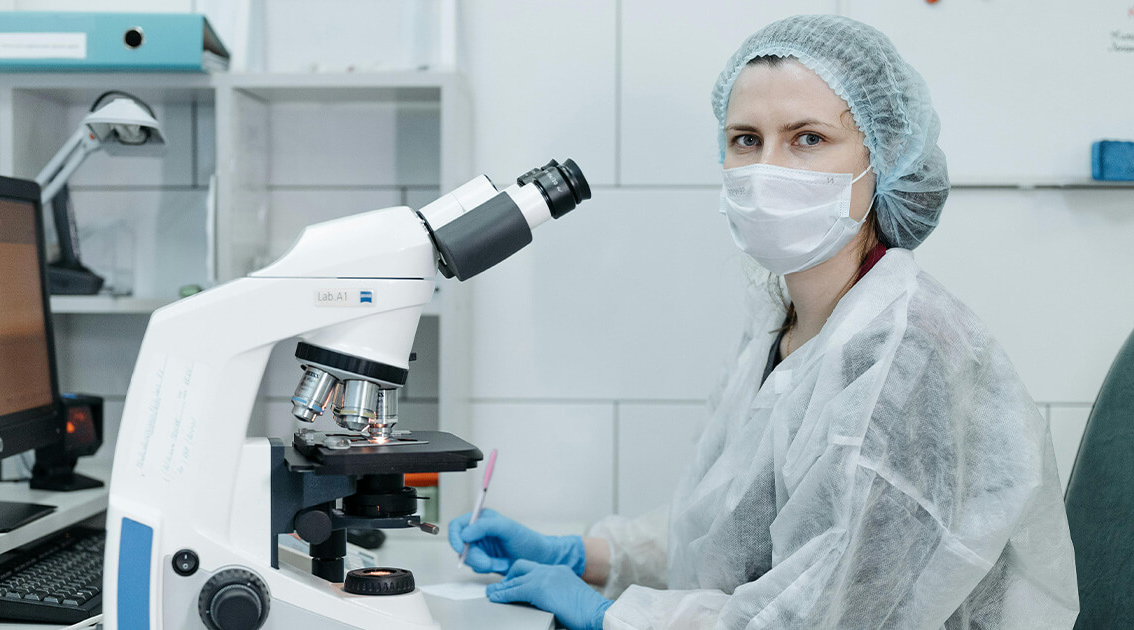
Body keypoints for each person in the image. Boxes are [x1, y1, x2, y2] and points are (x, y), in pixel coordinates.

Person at [448, 14, 1079, 630]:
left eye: (808, 138)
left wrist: (617, 615)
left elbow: (829, 612)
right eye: (746, 139)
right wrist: (587, 556)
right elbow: (733, 537)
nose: (767, 168)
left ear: (882, 158)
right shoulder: (787, 323)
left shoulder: (901, 357)